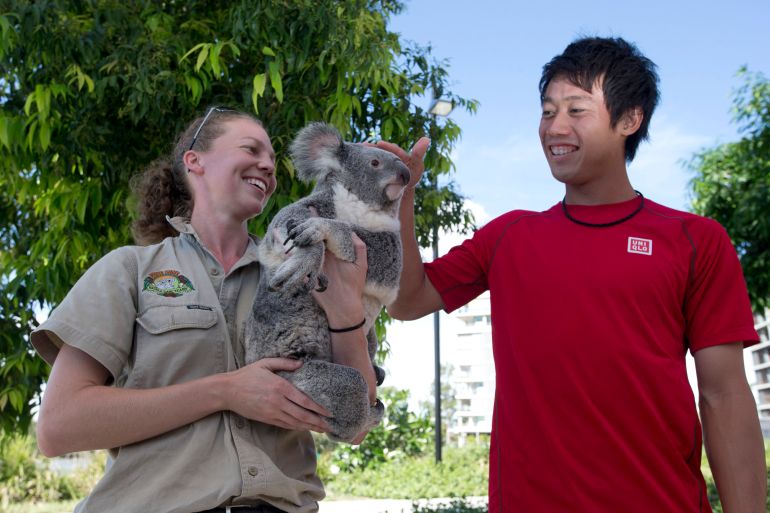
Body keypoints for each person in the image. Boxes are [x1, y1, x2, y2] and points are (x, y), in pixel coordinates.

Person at [383, 37, 766, 513]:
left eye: (576, 110)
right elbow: (406, 300)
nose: (554, 127)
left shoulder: (695, 240)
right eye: (547, 111)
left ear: (629, 120)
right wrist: (399, 198)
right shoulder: (509, 236)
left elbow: (724, 394)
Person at [31, 107, 375, 513]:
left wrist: (346, 309)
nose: (268, 165)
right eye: (251, 149)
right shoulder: (129, 270)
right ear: (195, 160)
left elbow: (356, 423)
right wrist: (226, 391)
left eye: (272, 160)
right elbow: (58, 427)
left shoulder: (304, 269)